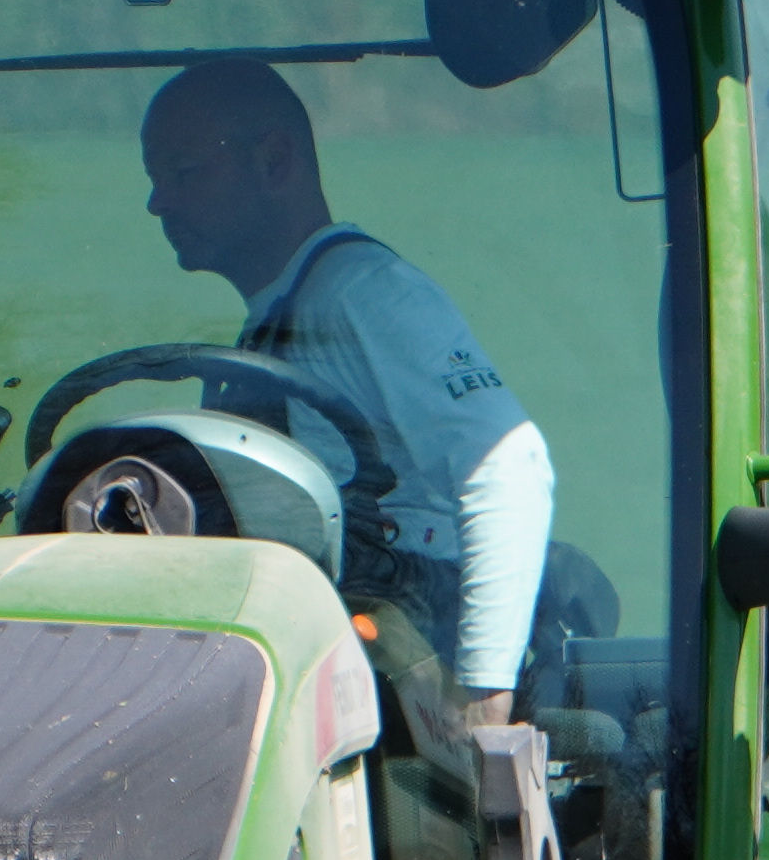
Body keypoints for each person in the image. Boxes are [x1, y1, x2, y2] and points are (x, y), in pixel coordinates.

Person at [136, 58, 549, 721]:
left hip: (395, 656)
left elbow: (509, 466)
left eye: (183, 174)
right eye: (155, 181)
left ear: (274, 162)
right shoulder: (284, 314)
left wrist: (480, 701)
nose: (158, 203)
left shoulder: (366, 292)